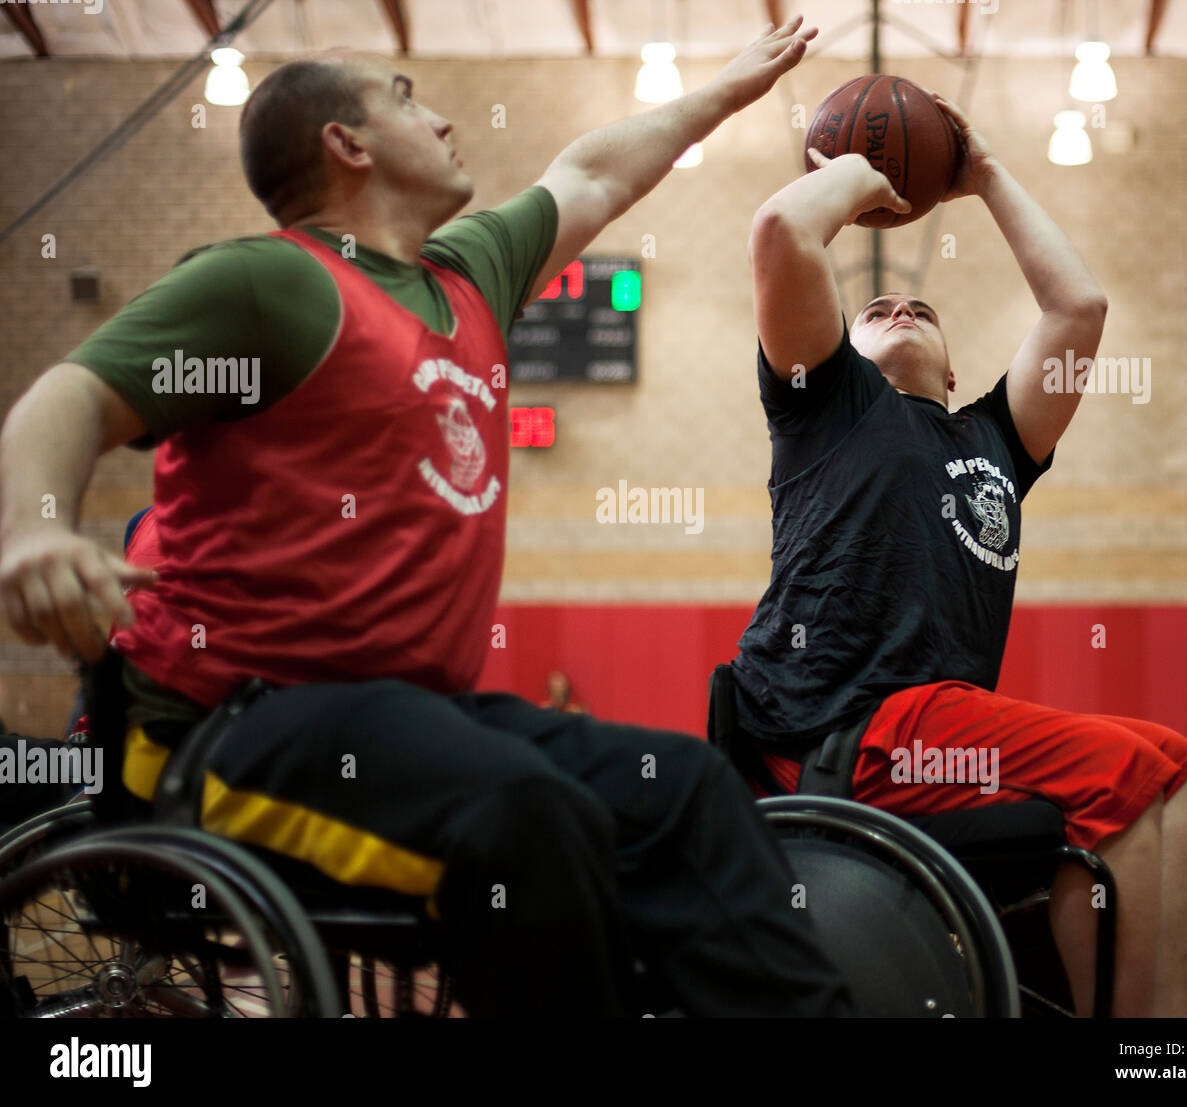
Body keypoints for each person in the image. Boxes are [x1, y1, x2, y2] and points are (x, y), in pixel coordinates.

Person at [0, 22, 856, 1017]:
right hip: (221, 732)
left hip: (408, 718)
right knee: (525, 815)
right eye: (406, 96)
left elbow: (588, 176)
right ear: (347, 144)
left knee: (687, 790)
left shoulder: (470, 274)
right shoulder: (269, 281)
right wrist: (33, 529)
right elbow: (65, 397)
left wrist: (722, 92)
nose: (443, 116)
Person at [732, 92, 1187, 1018]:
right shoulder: (823, 406)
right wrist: (868, 171)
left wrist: (983, 172)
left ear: (954, 372)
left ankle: (1166, 1041)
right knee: (1126, 772)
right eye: (878, 308)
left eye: (921, 306)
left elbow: (1080, 305)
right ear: (843, 346)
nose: (902, 306)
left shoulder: (990, 439)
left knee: (1177, 772)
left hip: (938, 726)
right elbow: (783, 231)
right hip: (838, 728)